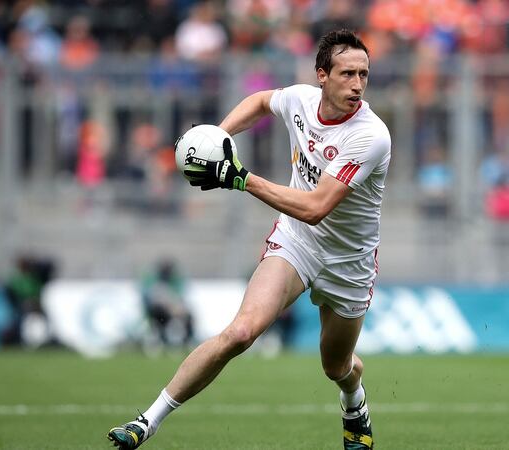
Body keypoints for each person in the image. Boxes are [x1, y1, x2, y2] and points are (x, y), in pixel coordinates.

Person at [107, 30, 390, 450]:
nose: (358, 84)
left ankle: (355, 403)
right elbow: (260, 101)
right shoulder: (299, 100)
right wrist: (215, 140)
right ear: (321, 76)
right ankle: (146, 422)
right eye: (347, 73)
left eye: (364, 74)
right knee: (241, 332)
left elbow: (316, 206)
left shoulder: (371, 136)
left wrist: (241, 178)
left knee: (336, 366)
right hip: (298, 242)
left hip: (350, 261)